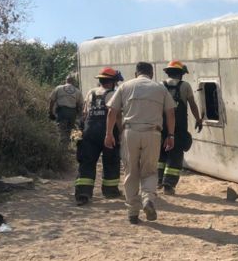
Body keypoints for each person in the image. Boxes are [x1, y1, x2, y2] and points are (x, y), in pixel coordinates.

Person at [105, 62, 176, 225]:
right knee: (150, 171)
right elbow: (171, 112)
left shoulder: (125, 86)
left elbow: (112, 111)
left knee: (131, 172)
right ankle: (147, 199)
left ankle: (132, 213)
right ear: (151, 74)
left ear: (136, 73)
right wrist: (170, 135)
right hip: (153, 132)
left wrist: (109, 134)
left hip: (130, 132)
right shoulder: (160, 88)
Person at [74, 67, 122, 205]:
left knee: (87, 162)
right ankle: (110, 190)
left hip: (89, 131)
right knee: (111, 161)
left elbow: (84, 113)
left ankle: (83, 193)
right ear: (112, 82)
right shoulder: (113, 94)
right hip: (108, 131)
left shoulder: (90, 93)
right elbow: (117, 116)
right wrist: (120, 132)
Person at [158, 60, 203, 195]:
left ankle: (158, 180)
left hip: (161, 125)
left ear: (168, 72)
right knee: (176, 154)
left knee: (161, 154)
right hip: (178, 127)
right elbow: (192, 104)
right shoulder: (185, 86)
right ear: (181, 74)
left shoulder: (160, 85)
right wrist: (198, 119)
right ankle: (169, 184)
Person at [49, 75, 83, 145]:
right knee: (72, 128)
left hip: (62, 112)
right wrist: (80, 116)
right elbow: (80, 105)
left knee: (61, 129)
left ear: (66, 80)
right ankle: (75, 143)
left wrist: (50, 112)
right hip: (72, 112)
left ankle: (63, 147)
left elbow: (52, 100)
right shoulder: (77, 91)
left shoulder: (59, 88)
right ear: (73, 82)